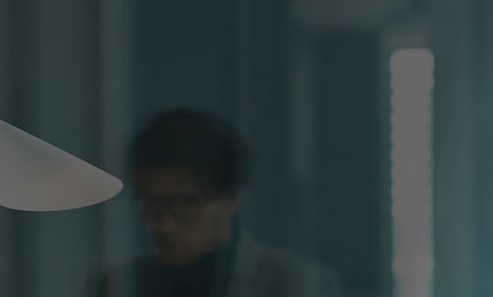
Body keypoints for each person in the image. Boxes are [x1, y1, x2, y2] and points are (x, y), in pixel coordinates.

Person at [99, 109, 342, 297]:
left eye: (184, 204)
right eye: (150, 203)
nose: (163, 225)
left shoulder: (294, 281)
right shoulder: (122, 283)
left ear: (231, 198)